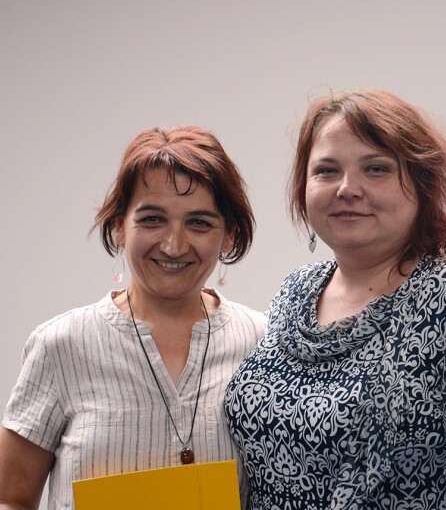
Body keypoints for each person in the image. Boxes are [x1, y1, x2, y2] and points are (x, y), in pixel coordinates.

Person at [225, 88, 446, 509]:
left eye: (376, 169)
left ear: (422, 182)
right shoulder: (295, 291)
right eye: (326, 170)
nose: (347, 188)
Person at [0, 125, 266, 509]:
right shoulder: (61, 345)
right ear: (119, 227)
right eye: (153, 219)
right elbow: (10, 498)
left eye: (199, 222)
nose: (173, 245)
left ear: (229, 236)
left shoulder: (263, 342)